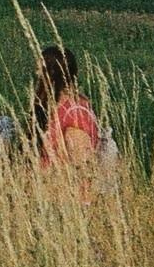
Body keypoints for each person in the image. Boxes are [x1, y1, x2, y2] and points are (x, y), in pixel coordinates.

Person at [32, 43, 102, 177]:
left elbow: (82, 170)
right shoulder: (57, 107)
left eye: (40, 75)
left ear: (52, 77)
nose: (37, 78)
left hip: (58, 192)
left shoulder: (75, 115)